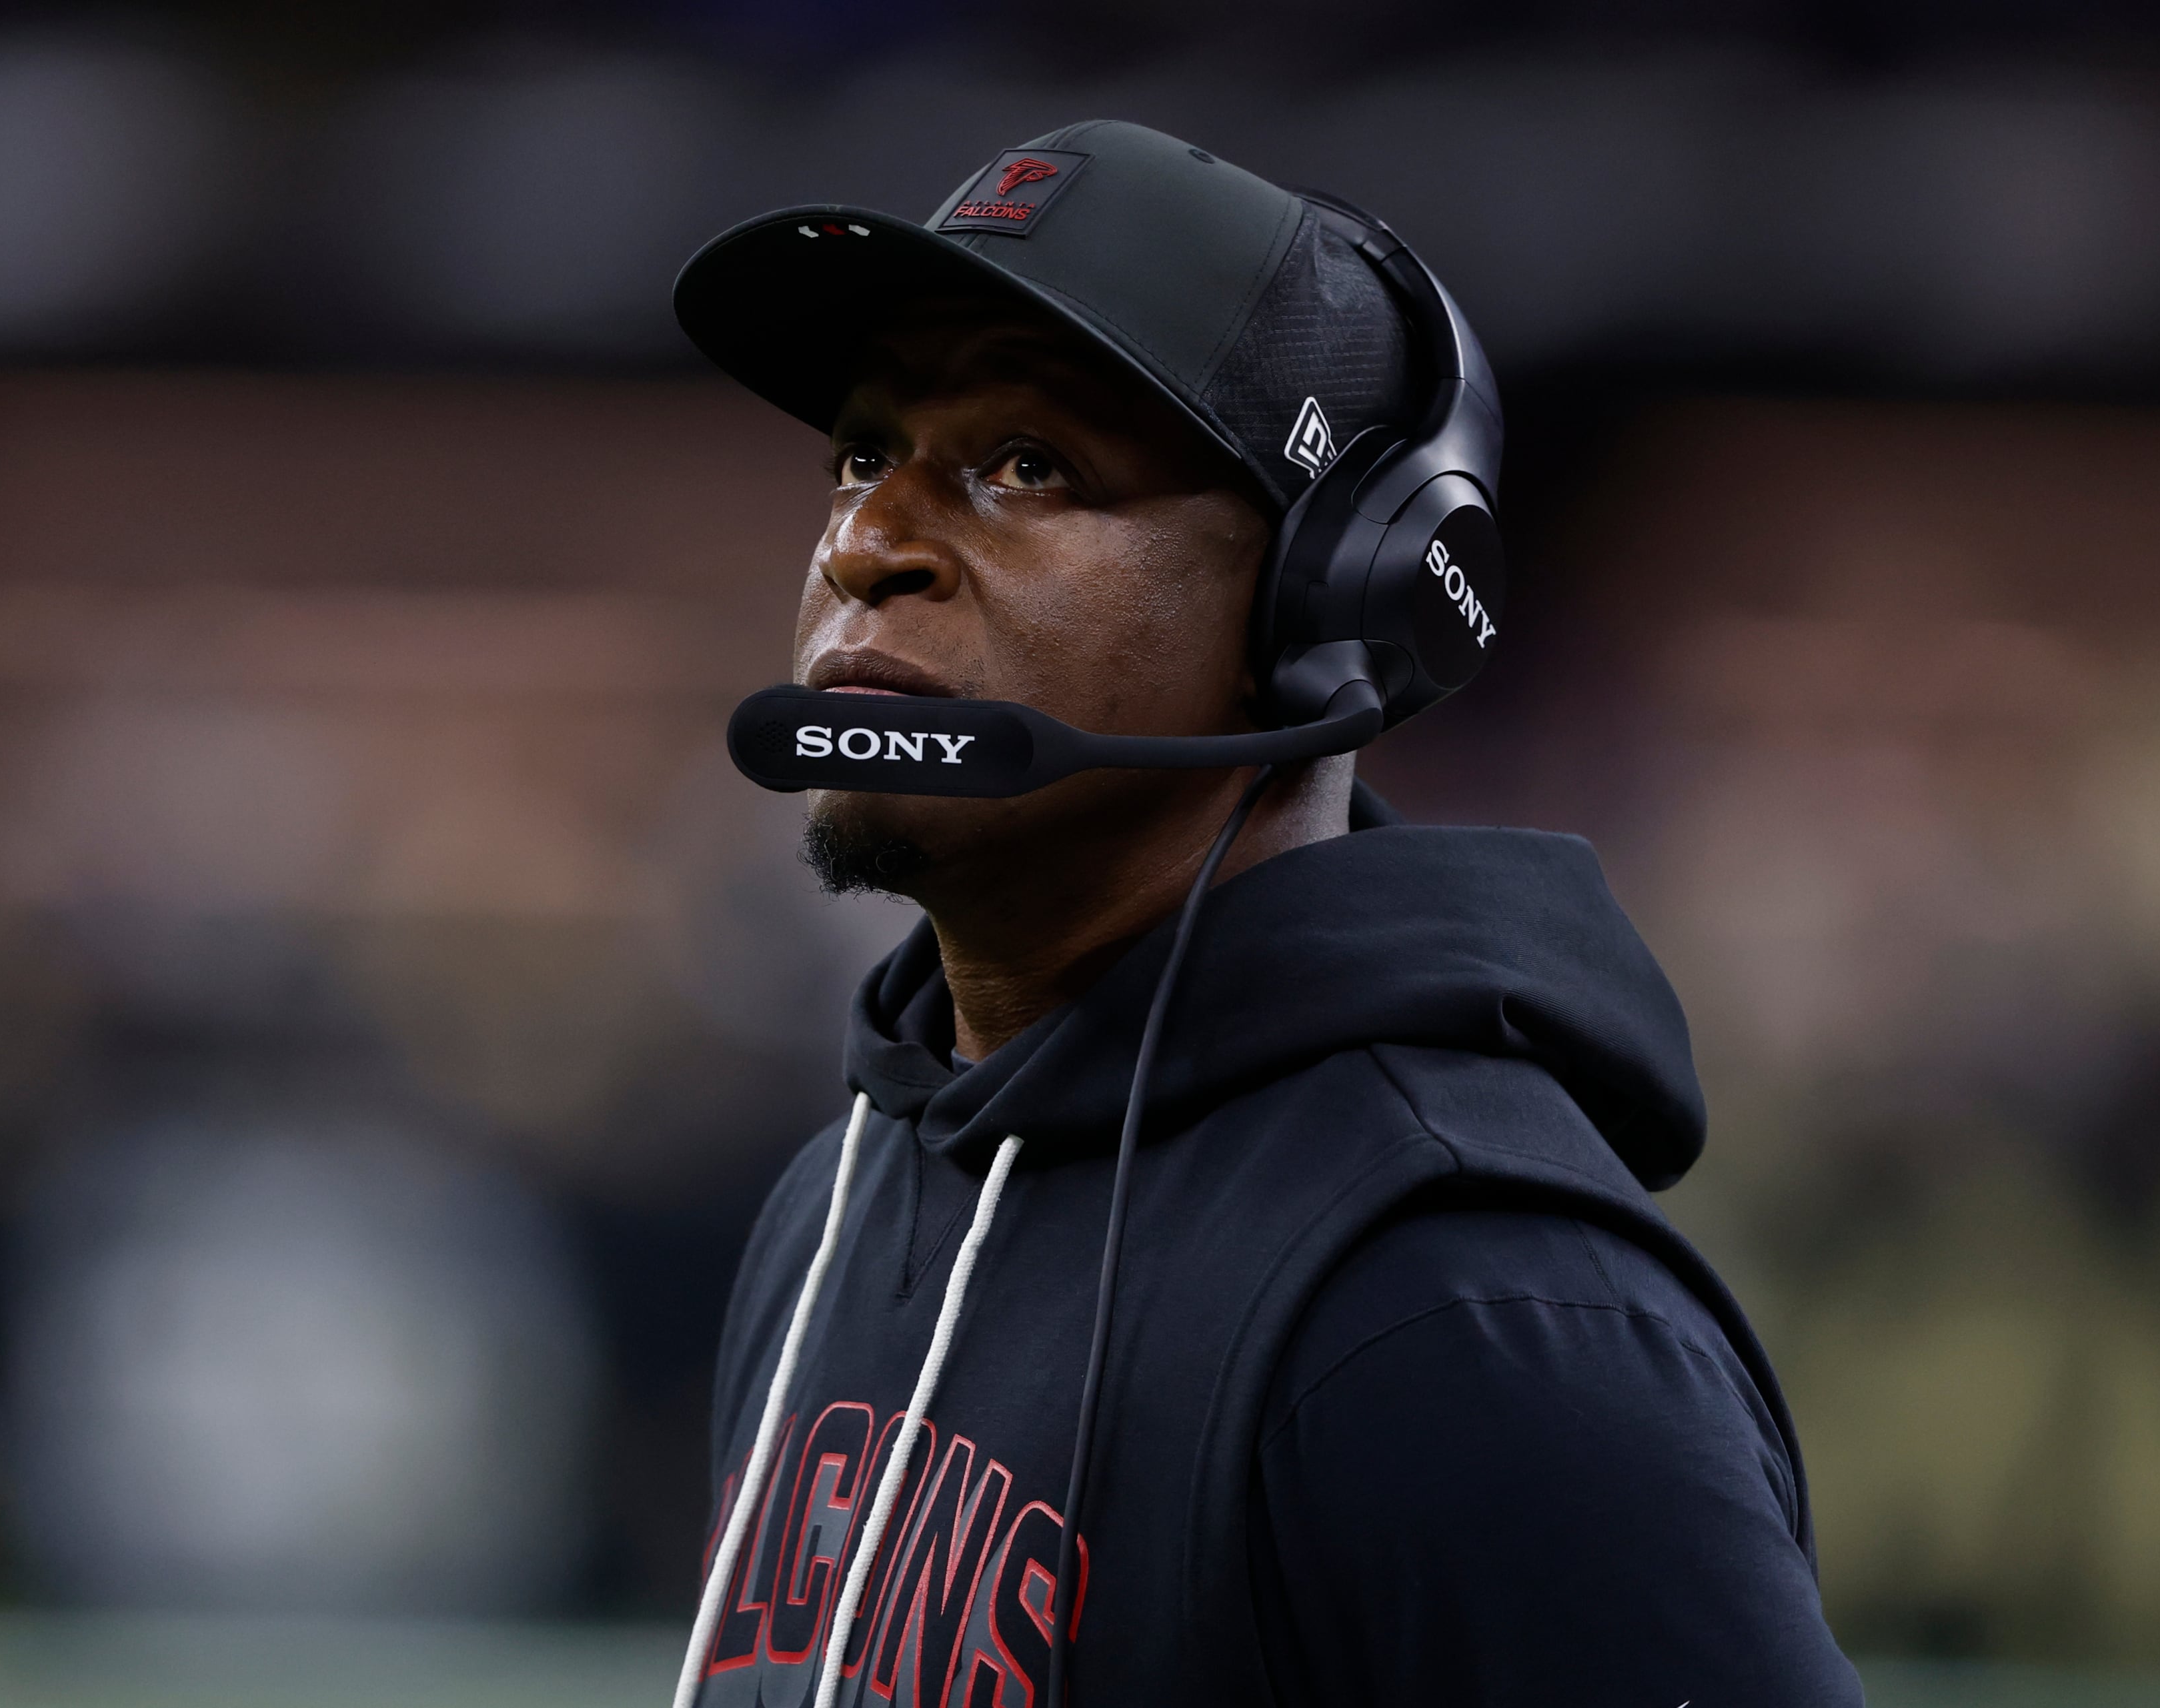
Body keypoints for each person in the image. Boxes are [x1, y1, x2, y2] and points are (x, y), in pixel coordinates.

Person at [668, 121, 1863, 1707]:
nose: (868, 544)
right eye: (862, 453)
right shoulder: (838, 1206)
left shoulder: (1473, 1323)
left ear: (1327, 604)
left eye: (1027, 467)